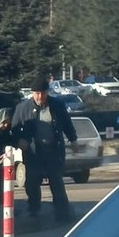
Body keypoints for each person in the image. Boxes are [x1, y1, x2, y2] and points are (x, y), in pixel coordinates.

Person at [12, 72, 77, 224]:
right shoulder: (23, 108)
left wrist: (73, 140)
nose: (40, 97)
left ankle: (62, 213)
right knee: (32, 183)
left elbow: (67, 124)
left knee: (57, 183)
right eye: (36, 93)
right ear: (32, 93)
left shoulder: (57, 106)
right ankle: (33, 210)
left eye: (42, 93)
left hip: (53, 151)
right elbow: (15, 128)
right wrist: (19, 140)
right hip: (34, 153)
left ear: (47, 92)